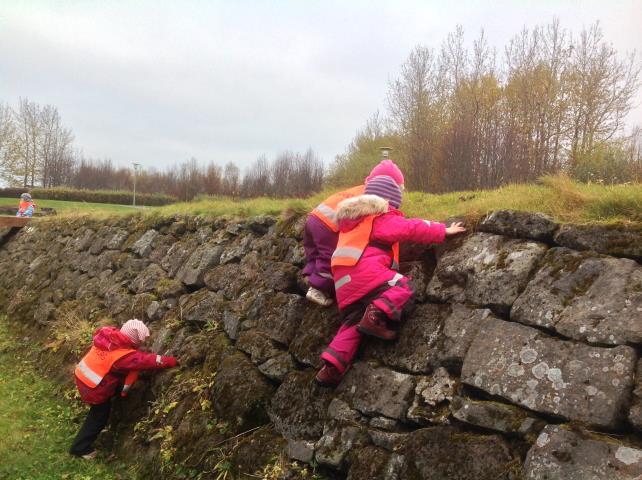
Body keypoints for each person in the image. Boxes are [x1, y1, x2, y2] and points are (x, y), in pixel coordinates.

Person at [315, 175, 466, 387]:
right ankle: (376, 316)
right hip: (365, 275)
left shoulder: (350, 224)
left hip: (342, 287)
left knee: (352, 324)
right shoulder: (379, 218)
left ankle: (331, 367)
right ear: (388, 202)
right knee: (403, 285)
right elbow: (411, 227)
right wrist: (443, 230)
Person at [70, 319, 178, 459]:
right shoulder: (124, 357)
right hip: (94, 388)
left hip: (83, 376)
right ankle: (80, 448)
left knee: (97, 413)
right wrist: (171, 361)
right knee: (99, 417)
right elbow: (146, 360)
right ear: (134, 340)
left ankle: (82, 444)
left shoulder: (108, 339)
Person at [303, 160, 405, 307]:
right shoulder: (373, 195)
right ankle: (318, 289)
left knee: (315, 254)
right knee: (328, 257)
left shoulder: (359, 189)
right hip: (329, 225)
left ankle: (309, 276)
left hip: (314, 219)